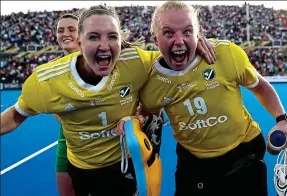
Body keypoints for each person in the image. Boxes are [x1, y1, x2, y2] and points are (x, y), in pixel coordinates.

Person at [0, 4, 215, 196]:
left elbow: (173, 50)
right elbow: (15, 115)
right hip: (81, 167)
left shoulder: (135, 62)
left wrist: (193, 41)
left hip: (123, 165)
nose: (105, 45)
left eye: (112, 37)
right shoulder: (47, 81)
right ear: (79, 41)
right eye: (94, 37)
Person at [135, 1, 287, 196]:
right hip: (194, 162)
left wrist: (282, 119)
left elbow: (260, 86)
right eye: (168, 33)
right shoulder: (151, 81)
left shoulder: (226, 55)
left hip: (243, 152)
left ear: (198, 33)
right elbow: (150, 110)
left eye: (187, 32)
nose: (179, 41)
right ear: (155, 38)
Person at [53, 13, 79, 196]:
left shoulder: (100, 63)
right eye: (60, 30)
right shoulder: (52, 69)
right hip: (67, 141)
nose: (65, 34)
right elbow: (57, 114)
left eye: (71, 29)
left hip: (103, 144)